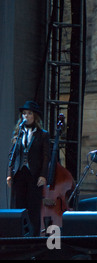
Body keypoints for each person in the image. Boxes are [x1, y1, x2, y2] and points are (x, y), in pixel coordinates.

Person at [7, 101, 50, 236]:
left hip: (34, 175)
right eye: (24, 113)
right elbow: (12, 155)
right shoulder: (18, 134)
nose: (26, 116)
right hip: (19, 173)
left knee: (33, 208)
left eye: (29, 113)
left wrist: (43, 175)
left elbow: (46, 157)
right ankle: (17, 237)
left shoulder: (42, 134)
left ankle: (33, 238)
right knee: (18, 207)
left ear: (35, 116)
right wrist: (9, 174)